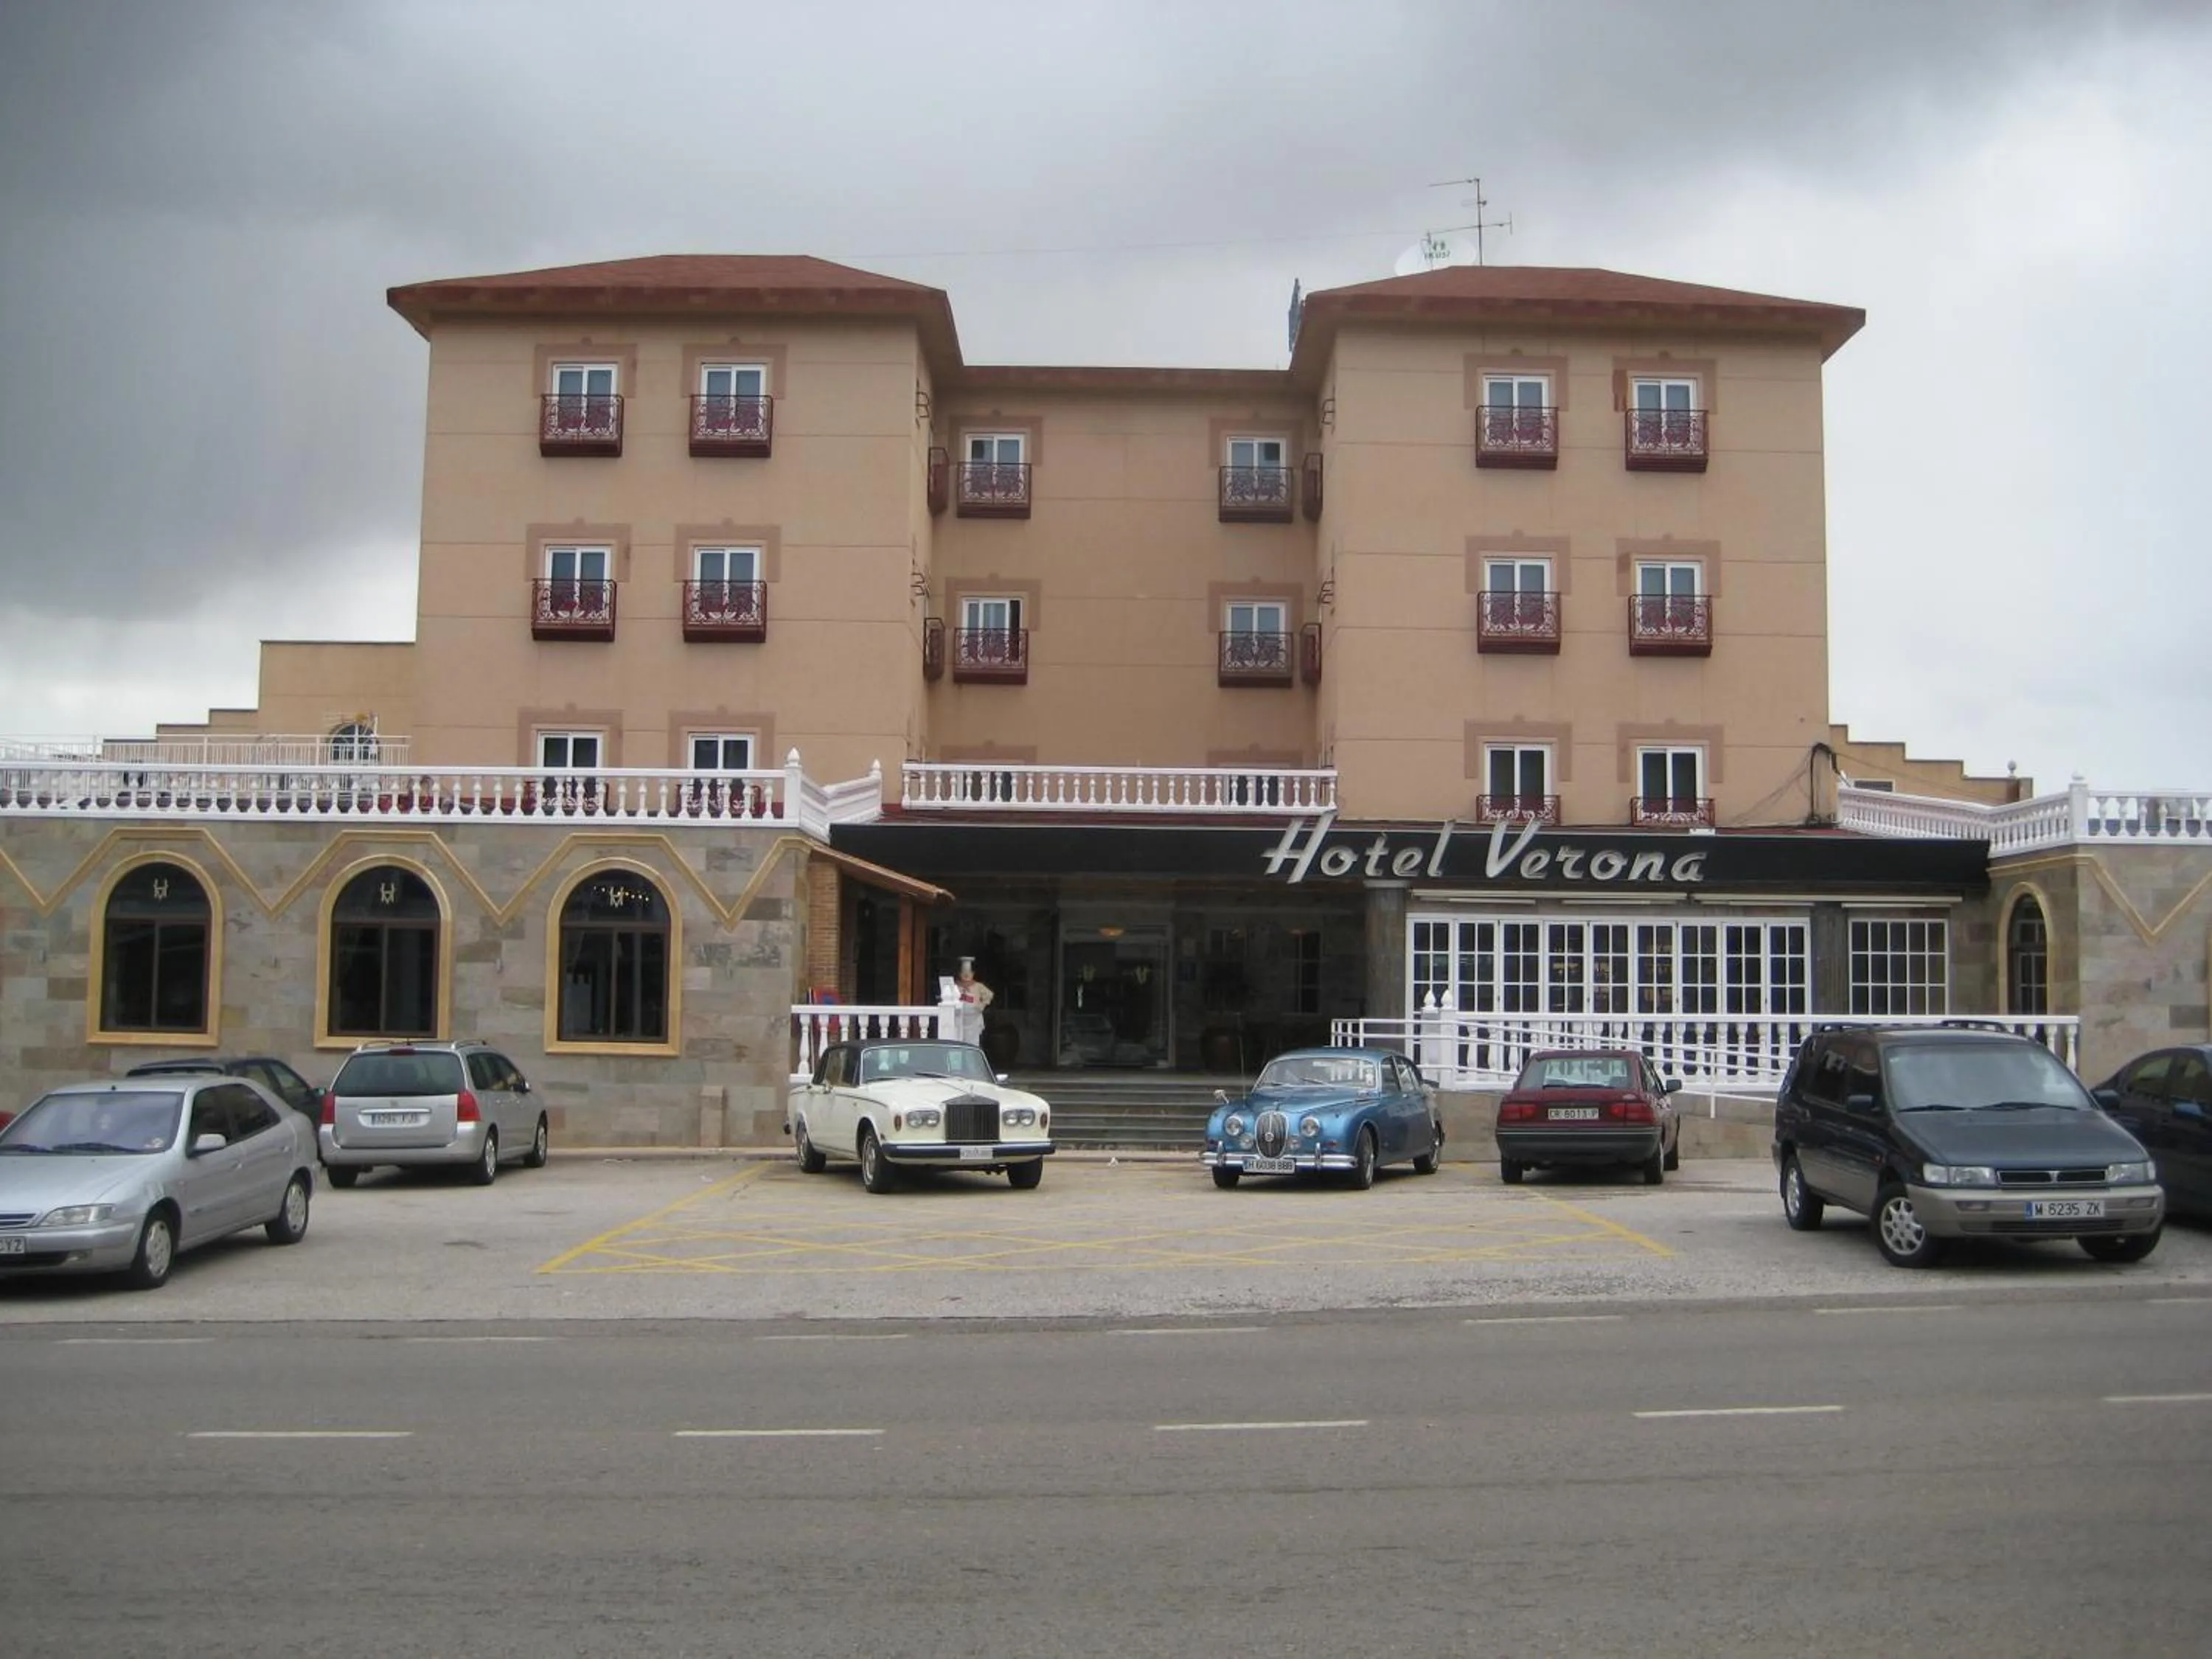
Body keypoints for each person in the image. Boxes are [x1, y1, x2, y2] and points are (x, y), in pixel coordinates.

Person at [953, 957, 993, 1046]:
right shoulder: (956, 986)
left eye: (969, 974)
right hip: (959, 1019)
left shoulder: (978, 986)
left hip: (973, 1021)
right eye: (964, 974)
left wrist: (982, 1005)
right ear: (960, 974)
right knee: (957, 1042)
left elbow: (989, 995)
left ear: (973, 974)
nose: (967, 976)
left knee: (972, 1044)